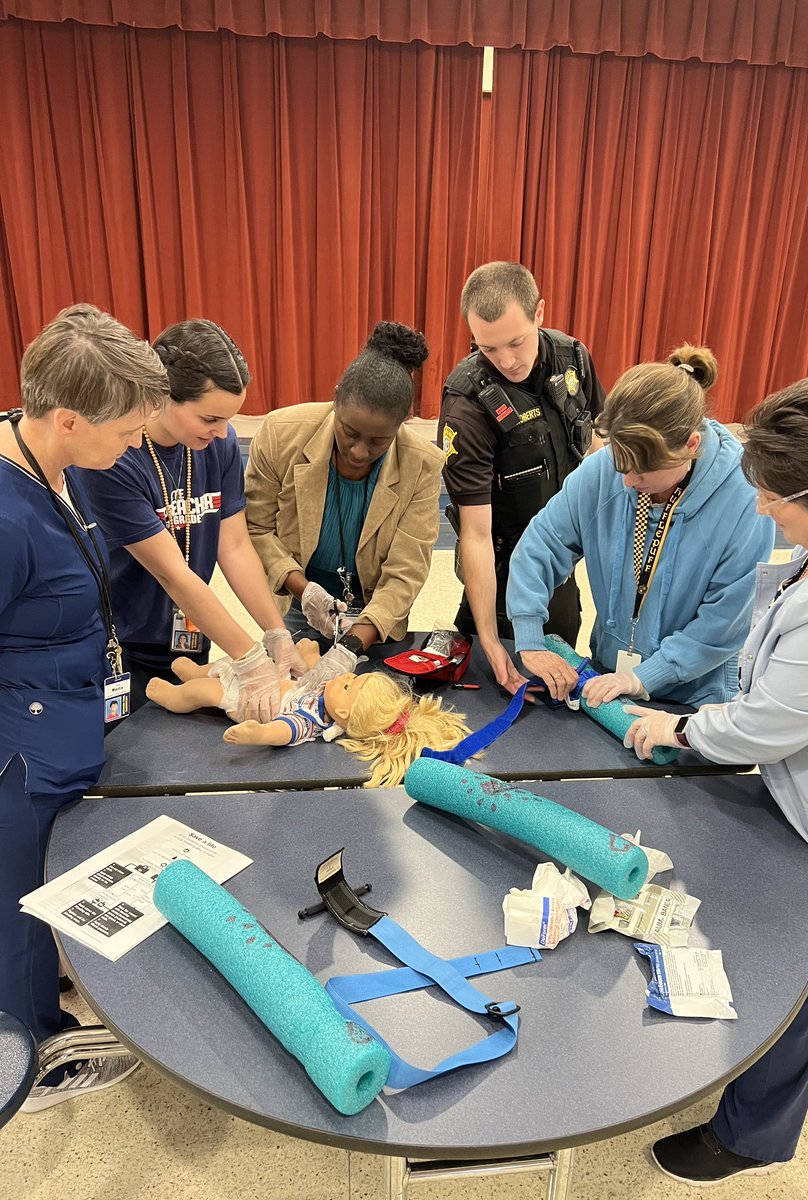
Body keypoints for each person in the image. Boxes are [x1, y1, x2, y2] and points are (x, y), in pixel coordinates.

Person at [620, 377, 808, 1184]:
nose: (763, 512)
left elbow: (769, 722)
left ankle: (747, 1140)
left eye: (777, 499)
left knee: (787, 998)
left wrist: (677, 726)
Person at [0, 303, 170, 1110]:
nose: (134, 446)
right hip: (17, 756)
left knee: (38, 901)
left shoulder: (49, 466)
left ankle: (40, 1014)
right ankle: (32, 1058)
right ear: (67, 420)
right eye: (126, 433)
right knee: (16, 912)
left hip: (60, 723)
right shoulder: (3, 516)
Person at [507, 344, 775, 707]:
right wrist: (529, 638)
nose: (628, 481)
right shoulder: (603, 473)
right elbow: (540, 546)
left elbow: (723, 622)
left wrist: (644, 677)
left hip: (695, 696)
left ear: (690, 445)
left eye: (643, 470)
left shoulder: (744, 501)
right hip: (610, 677)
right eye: (621, 463)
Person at [74, 319, 301, 718]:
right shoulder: (115, 457)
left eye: (229, 419)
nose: (224, 431)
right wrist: (250, 658)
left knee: (186, 759)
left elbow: (233, 545)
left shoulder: (220, 444)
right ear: (161, 396)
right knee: (134, 763)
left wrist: (275, 631)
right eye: (209, 419)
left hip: (192, 632)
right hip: (122, 642)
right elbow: (172, 574)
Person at [440, 262, 604, 695]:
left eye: (516, 342)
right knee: (487, 695)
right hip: (501, 569)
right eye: (488, 349)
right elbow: (474, 534)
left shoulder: (574, 359)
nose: (508, 361)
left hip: (562, 565)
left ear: (540, 313)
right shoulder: (468, 404)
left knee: (559, 691)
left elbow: (597, 445)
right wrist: (491, 642)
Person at [245, 321, 442, 671]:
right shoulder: (281, 435)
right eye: (349, 432)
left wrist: (353, 642)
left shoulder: (423, 464)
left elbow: (405, 571)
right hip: (296, 603)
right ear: (336, 399)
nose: (360, 452)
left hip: (375, 614)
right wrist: (305, 590)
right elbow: (256, 530)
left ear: (403, 423)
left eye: (378, 441)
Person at [145, 641, 471, 789]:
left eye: (349, 685)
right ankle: (195, 670)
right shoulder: (331, 697)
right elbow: (315, 672)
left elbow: (280, 732)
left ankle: (173, 695)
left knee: (203, 693)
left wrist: (256, 733)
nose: (345, 678)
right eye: (353, 678)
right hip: (268, 678)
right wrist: (309, 653)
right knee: (221, 667)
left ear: (342, 712)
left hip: (250, 701)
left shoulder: (311, 721)